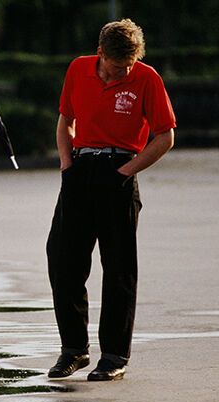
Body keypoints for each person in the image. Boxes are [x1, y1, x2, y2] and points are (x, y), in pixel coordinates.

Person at [46, 18, 176, 382]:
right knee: (62, 258)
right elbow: (65, 120)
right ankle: (74, 349)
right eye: (119, 66)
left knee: (118, 268)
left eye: (130, 65)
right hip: (80, 168)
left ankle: (115, 356)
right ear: (100, 53)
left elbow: (165, 136)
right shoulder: (77, 69)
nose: (125, 72)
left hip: (119, 169)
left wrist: (126, 172)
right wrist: (67, 164)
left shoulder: (147, 78)